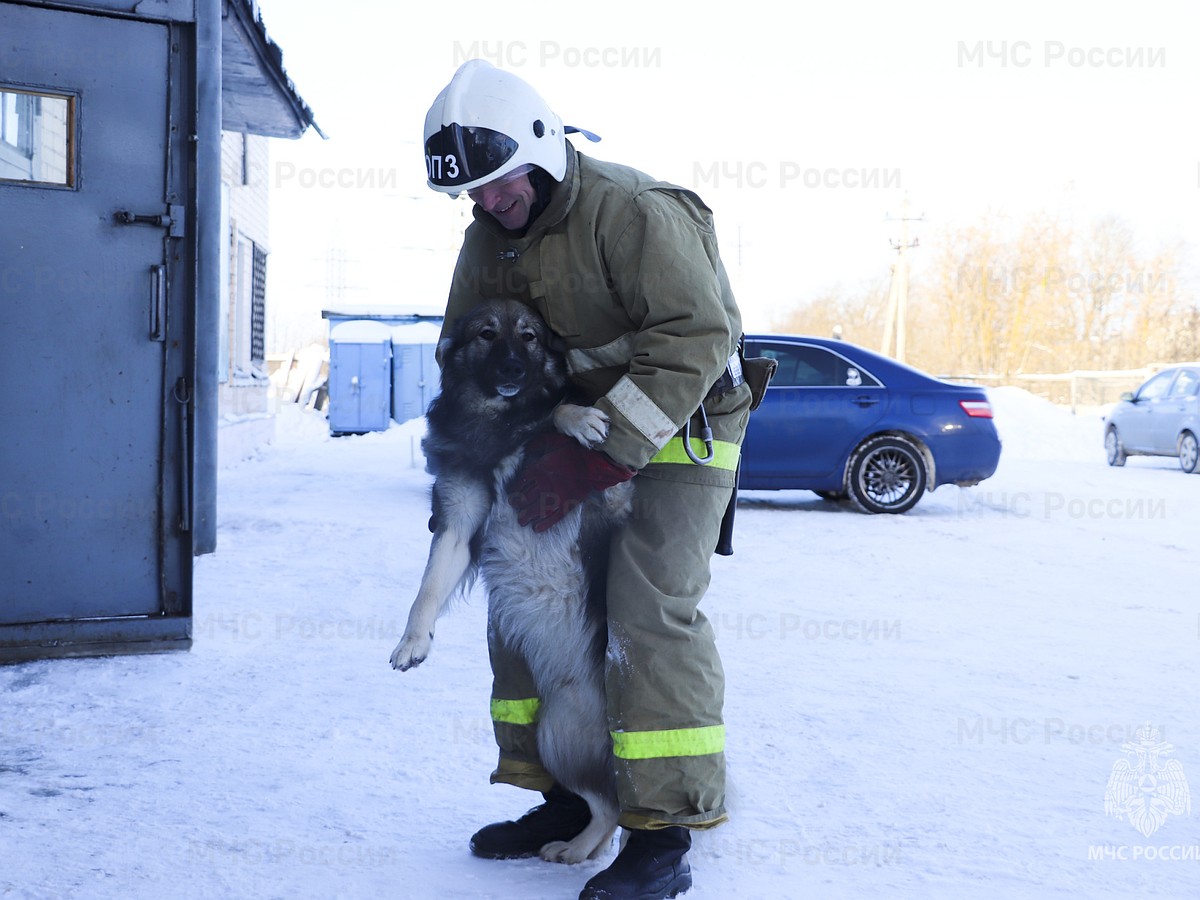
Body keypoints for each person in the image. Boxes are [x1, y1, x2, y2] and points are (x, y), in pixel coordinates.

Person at [422, 58, 755, 900]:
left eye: (498, 187)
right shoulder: (488, 234)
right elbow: (461, 342)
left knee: (645, 613)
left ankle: (659, 829)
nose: (486, 206)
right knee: (522, 603)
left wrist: (599, 458)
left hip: (680, 429)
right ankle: (563, 798)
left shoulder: (634, 212)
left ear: (539, 148)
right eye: (473, 195)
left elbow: (696, 335)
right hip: (561, 434)